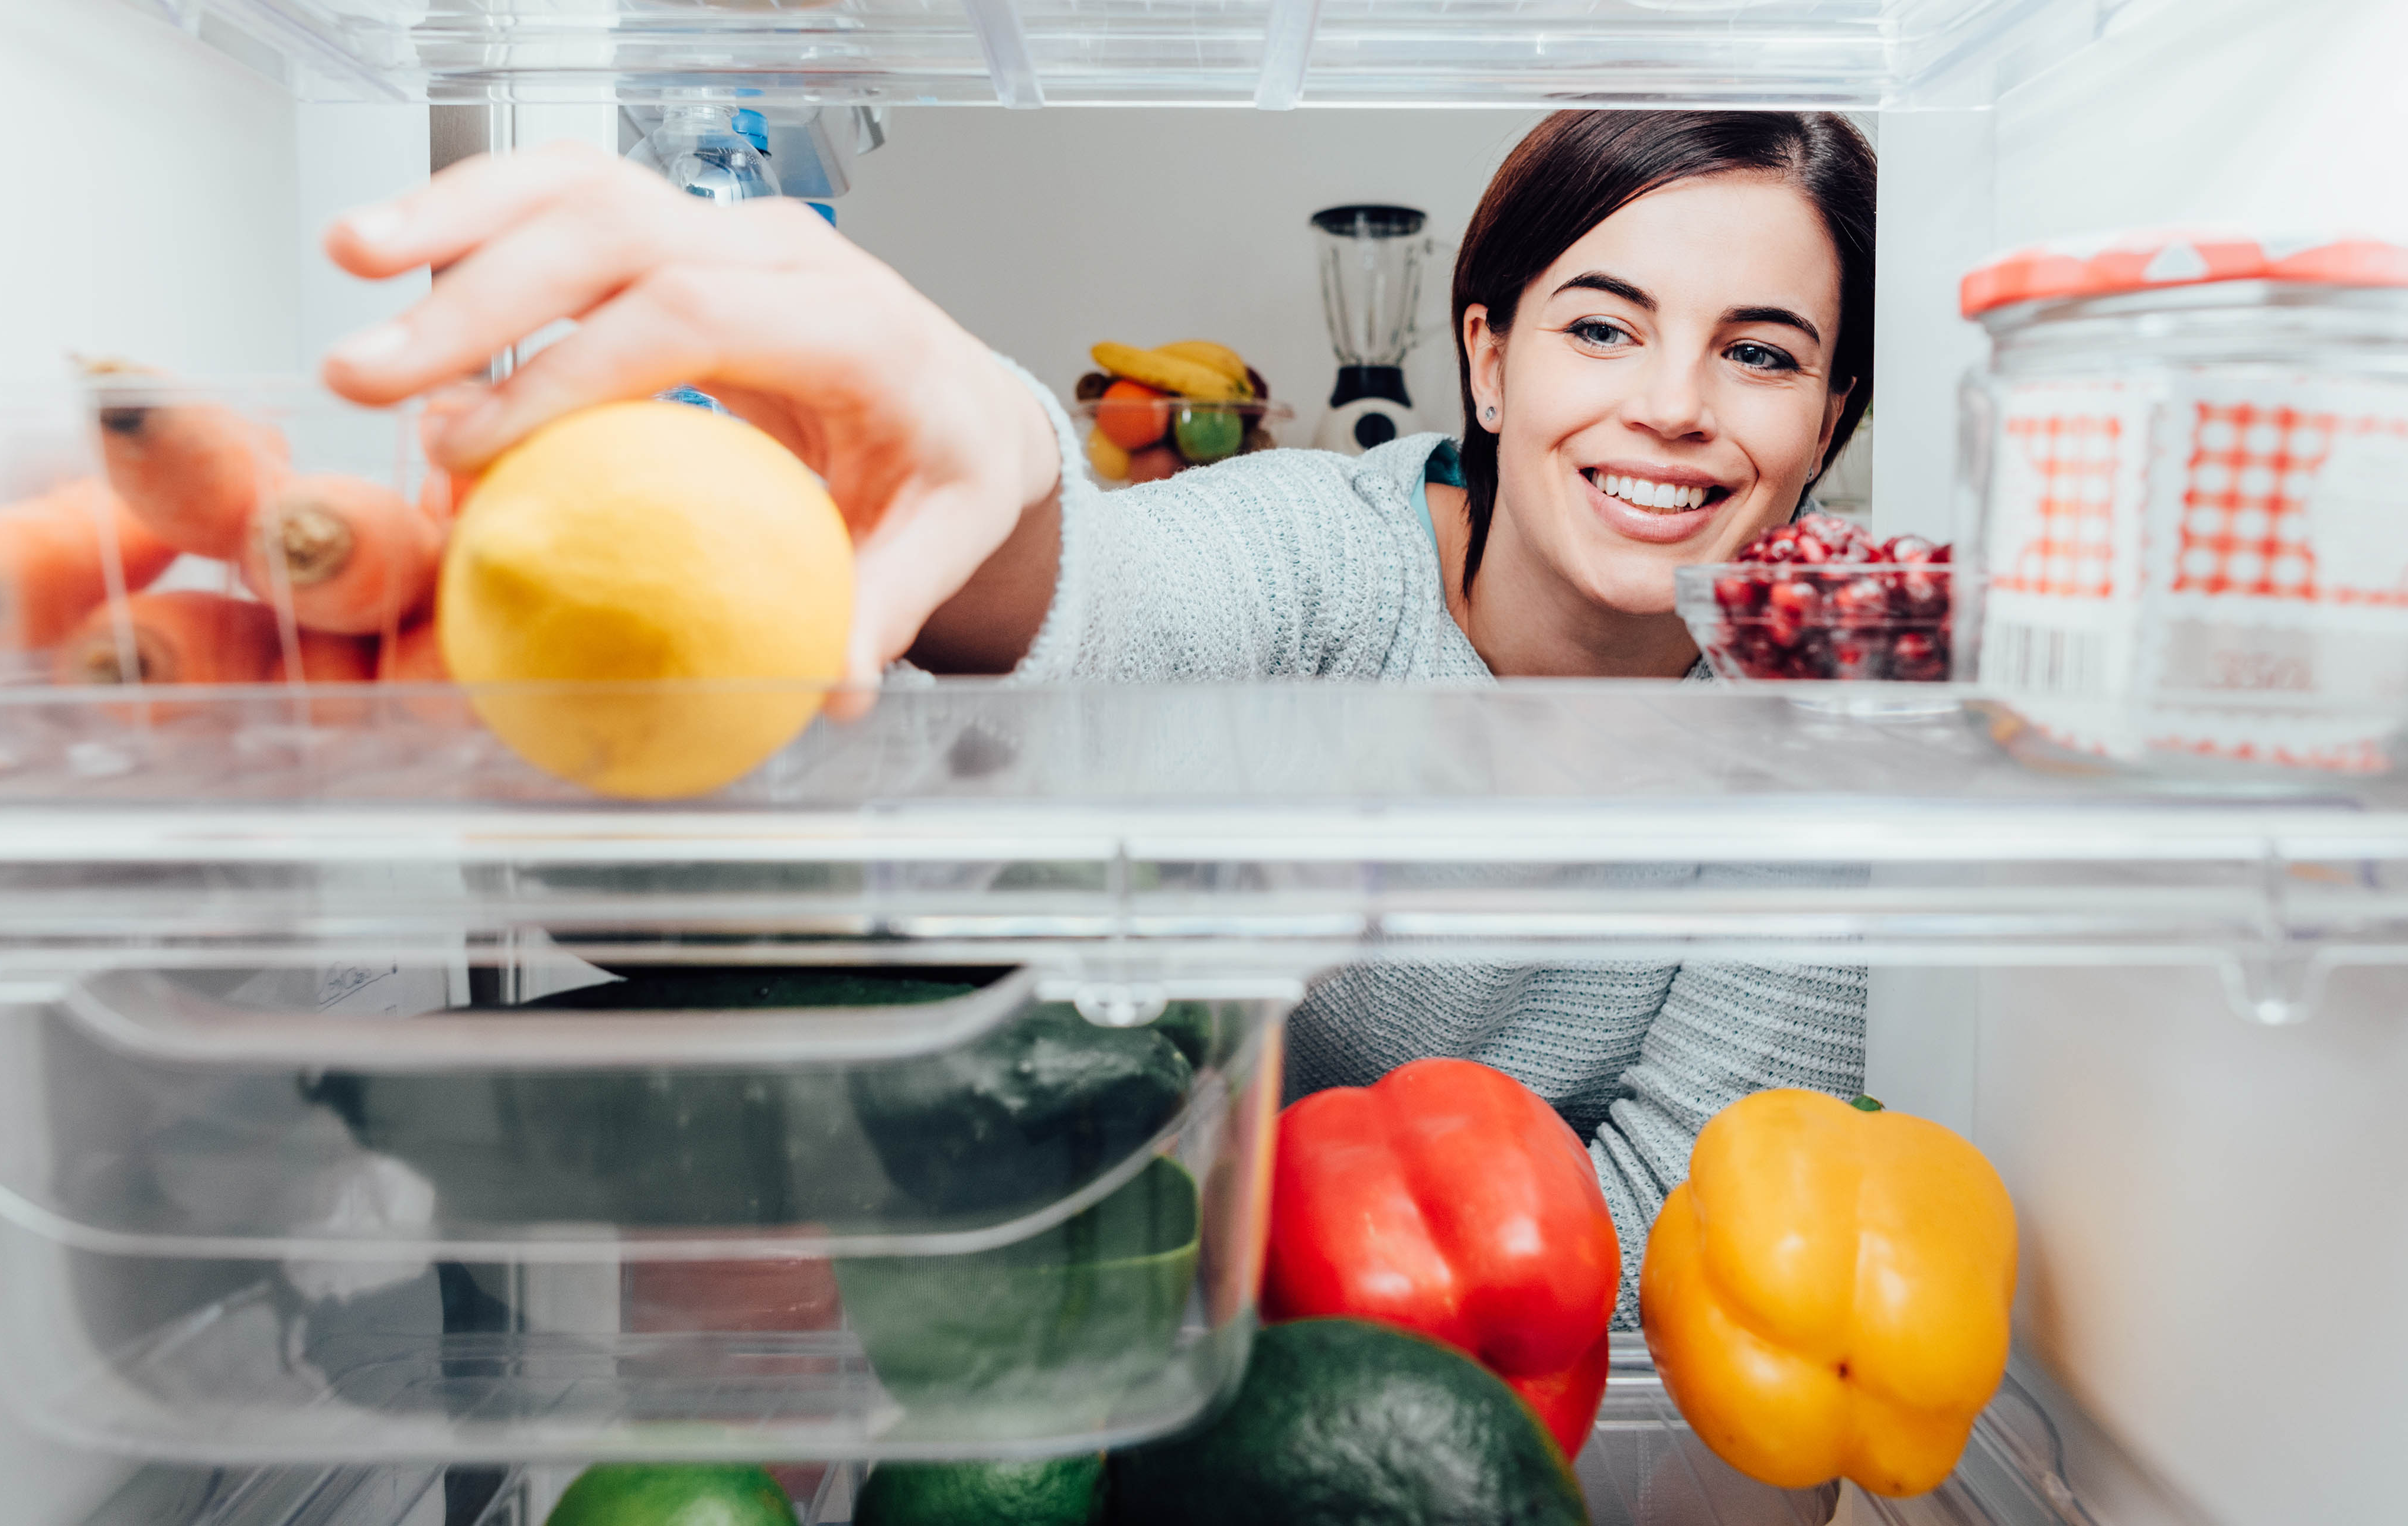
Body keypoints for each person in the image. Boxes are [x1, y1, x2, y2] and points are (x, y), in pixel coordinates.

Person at [322, 109, 1875, 1323]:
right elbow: (1110, 602)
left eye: (1760, 354)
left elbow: (1708, 1222)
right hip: (1146, 1324)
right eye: (1602, 327)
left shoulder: (1816, 741)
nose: (1674, 403)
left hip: (1518, 1405)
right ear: (1485, 357)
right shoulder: (1331, 552)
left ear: (1829, 426)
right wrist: (984, 446)